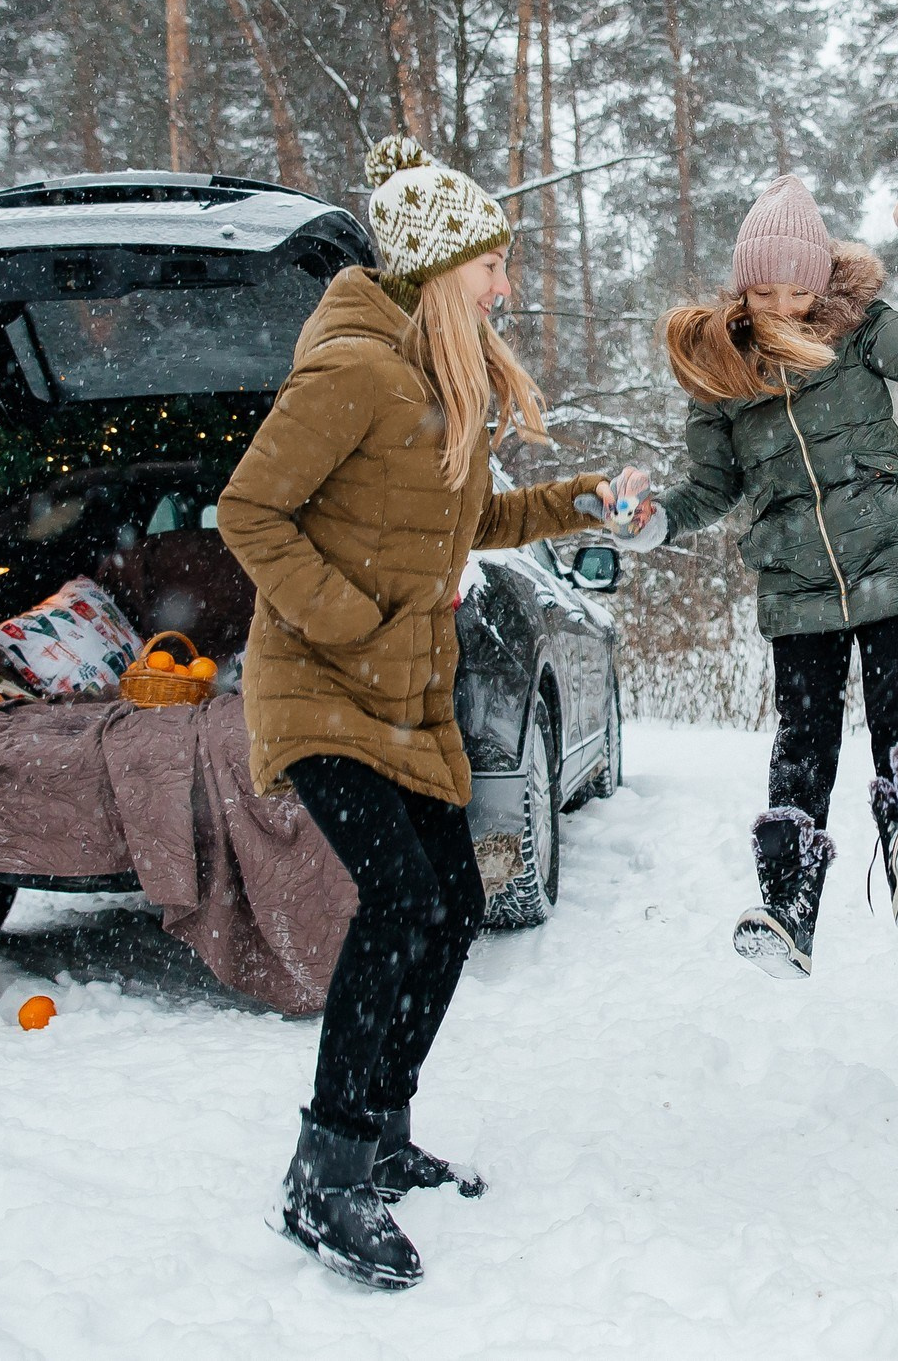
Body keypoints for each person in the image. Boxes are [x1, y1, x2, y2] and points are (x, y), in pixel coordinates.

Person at [217, 133, 654, 1289]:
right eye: (492, 265)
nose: (505, 287)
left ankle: (381, 1126)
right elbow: (249, 510)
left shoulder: (428, 380)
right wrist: (348, 618)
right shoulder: (354, 370)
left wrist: (583, 500)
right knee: (403, 898)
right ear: (439, 267)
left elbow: (474, 522)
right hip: (323, 686)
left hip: (407, 697)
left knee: (452, 901)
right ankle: (323, 1171)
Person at [643, 175, 898, 976]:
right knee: (803, 740)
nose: (779, 305)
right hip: (796, 584)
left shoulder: (859, 328)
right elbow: (711, 487)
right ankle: (788, 906)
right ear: (740, 286)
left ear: (821, 281)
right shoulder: (725, 367)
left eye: (796, 289)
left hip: (891, 561)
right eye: (762, 290)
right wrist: (656, 519)